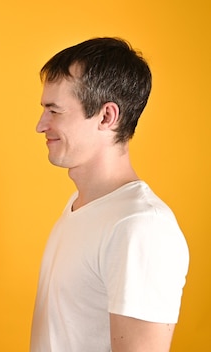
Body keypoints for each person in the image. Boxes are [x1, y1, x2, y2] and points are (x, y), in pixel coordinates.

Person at [30, 37, 189, 351]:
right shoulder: (81, 207)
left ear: (106, 117)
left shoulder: (140, 226)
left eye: (55, 111)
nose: (40, 125)